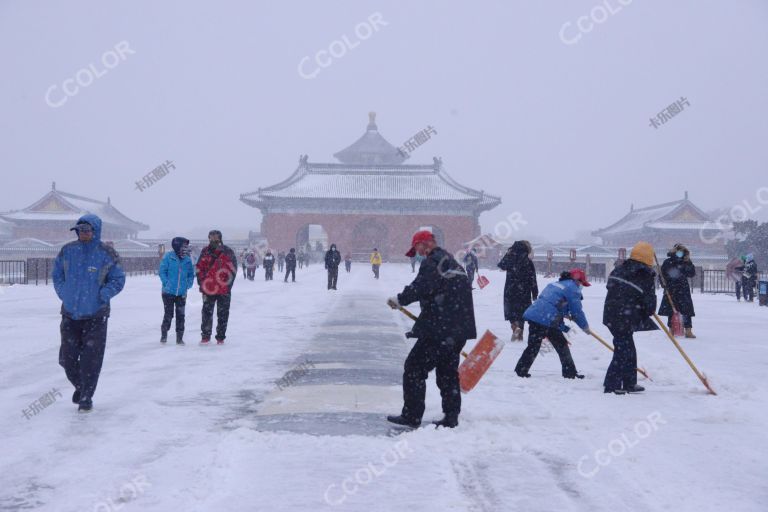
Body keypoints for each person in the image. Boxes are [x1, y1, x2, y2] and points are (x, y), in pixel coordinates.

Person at [387, 231, 476, 428]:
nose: (417, 253)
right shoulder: (452, 262)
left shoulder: (433, 262)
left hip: (440, 330)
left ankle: (412, 415)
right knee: (447, 372)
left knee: (414, 368)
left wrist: (399, 300)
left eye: (417, 248)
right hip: (458, 329)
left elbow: (421, 287)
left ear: (425, 243)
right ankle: (451, 416)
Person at [53, 214, 126, 412]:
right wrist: (64, 292)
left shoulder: (106, 253)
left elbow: (118, 279)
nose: (83, 233)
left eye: (87, 230)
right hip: (69, 313)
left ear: (95, 231)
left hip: (96, 314)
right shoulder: (67, 251)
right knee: (67, 359)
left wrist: (104, 294)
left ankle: (86, 395)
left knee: (90, 359)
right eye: (80, 230)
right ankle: (80, 385)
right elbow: (57, 274)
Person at [602, 242, 658, 394]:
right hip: (625, 317)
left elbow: (611, 287)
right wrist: (647, 309)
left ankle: (629, 382)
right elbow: (649, 304)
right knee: (623, 351)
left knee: (627, 349)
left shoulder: (619, 269)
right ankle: (612, 385)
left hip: (611, 315)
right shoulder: (645, 274)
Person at [514, 269, 590, 380]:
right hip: (546, 319)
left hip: (536, 315)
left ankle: (520, 371)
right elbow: (577, 311)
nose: (581, 286)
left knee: (534, 346)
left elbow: (552, 304)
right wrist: (585, 327)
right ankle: (569, 373)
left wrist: (565, 322)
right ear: (576, 280)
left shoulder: (554, 284)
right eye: (581, 283)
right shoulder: (573, 288)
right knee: (561, 345)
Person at [195, 230, 237, 345]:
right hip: (209, 288)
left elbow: (233, 270)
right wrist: (202, 282)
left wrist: (228, 285)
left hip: (224, 289)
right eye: (211, 236)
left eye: (216, 236)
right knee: (206, 313)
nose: (214, 238)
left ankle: (220, 337)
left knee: (223, 314)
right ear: (208, 237)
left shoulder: (228, 251)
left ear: (220, 237)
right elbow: (199, 268)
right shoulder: (205, 251)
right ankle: (205, 336)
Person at [498, 241, 538, 341]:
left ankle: (514, 327)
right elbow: (533, 278)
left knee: (510, 311)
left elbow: (501, 265)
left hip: (510, 290)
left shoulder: (510, 259)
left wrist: (508, 254)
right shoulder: (528, 262)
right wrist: (535, 293)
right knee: (522, 312)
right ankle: (520, 332)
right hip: (524, 291)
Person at [158, 237, 195, 345]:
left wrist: (188, 285)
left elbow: (190, 274)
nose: (185, 248)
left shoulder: (187, 260)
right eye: (183, 246)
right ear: (177, 246)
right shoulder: (168, 257)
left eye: (186, 246)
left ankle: (179, 338)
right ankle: (164, 334)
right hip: (168, 292)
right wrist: (166, 283)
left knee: (181, 315)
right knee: (168, 315)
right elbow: (162, 271)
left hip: (181, 293)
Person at [658, 244, 696, 338]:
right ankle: (671, 330)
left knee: (686, 309)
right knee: (671, 309)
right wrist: (664, 285)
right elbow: (662, 275)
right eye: (678, 251)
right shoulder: (668, 262)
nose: (680, 253)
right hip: (671, 288)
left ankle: (688, 330)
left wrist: (688, 262)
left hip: (683, 288)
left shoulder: (685, 261)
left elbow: (691, 273)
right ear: (674, 251)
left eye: (682, 251)